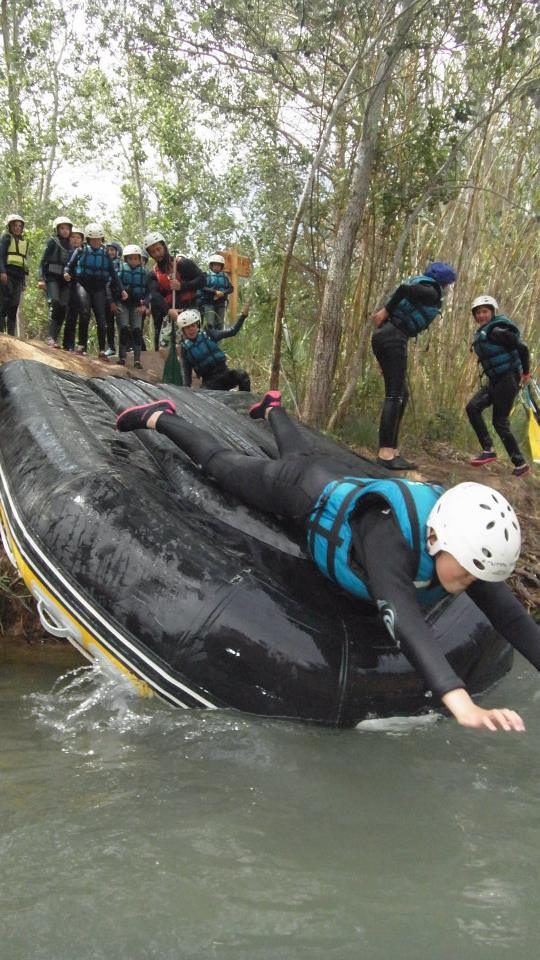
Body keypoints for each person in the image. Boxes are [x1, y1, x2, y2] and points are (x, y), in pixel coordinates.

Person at [116, 391, 540, 732]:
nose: (467, 581)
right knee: (224, 466)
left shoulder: (460, 551)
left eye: (473, 575)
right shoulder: (387, 535)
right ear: (436, 537)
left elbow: (513, 620)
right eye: (465, 571)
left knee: (298, 454)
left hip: (327, 473)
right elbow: (403, 616)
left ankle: (272, 408)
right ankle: (161, 417)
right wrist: (462, 703)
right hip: (303, 493)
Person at [371, 260, 457, 471]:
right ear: (444, 282)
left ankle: (393, 450)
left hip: (387, 337)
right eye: (448, 284)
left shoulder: (426, 287)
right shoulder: (431, 291)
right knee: (395, 395)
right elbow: (404, 289)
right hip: (393, 336)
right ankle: (386, 453)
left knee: (402, 394)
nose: (448, 288)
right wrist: (385, 310)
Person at [466, 295, 531, 478]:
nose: (481, 315)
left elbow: (523, 348)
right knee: (473, 407)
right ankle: (489, 450)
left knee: (499, 421)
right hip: (496, 381)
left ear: (492, 312)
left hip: (508, 379)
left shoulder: (497, 331)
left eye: (485, 311)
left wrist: (525, 373)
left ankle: (520, 463)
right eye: (478, 312)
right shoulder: (485, 332)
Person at [64, 222, 127, 360]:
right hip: (83, 285)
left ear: (102, 239)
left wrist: (122, 289)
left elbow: (113, 274)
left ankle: (102, 350)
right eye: (93, 239)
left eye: (98, 239)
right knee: (85, 313)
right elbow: (69, 266)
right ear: (88, 239)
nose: (95, 242)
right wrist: (66, 273)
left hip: (99, 288)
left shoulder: (105, 254)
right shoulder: (80, 251)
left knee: (101, 318)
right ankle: (81, 346)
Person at [143, 231, 205, 350]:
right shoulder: (153, 274)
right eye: (153, 252)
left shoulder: (182, 263)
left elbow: (202, 280)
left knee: (192, 348)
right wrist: (168, 310)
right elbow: (154, 295)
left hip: (190, 309)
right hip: (171, 313)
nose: (157, 254)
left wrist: (182, 286)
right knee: (164, 348)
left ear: (164, 247)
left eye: (158, 249)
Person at [174, 305, 251, 390]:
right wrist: (186, 390)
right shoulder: (185, 349)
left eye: (193, 326)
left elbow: (233, 331)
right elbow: (186, 374)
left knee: (242, 375)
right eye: (187, 328)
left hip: (225, 374)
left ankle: (245, 401)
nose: (191, 329)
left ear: (197, 326)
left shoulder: (209, 334)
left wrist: (243, 316)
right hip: (209, 382)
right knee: (204, 394)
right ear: (183, 331)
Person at [38, 215, 73, 348]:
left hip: (65, 281)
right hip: (52, 278)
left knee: (63, 307)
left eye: (67, 228)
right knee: (55, 303)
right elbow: (42, 262)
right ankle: (50, 337)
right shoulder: (52, 242)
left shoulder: (71, 245)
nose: (65, 231)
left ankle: (54, 339)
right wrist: (41, 278)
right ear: (57, 229)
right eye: (62, 228)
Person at [116, 244, 149, 368]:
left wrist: (144, 305)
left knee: (136, 331)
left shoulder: (144, 273)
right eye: (131, 259)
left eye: (136, 259)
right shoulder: (121, 270)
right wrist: (114, 303)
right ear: (126, 259)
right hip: (123, 304)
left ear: (140, 259)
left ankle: (137, 360)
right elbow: (114, 286)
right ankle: (122, 357)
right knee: (124, 329)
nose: (134, 261)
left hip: (136, 305)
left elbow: (149, 292)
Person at [0, 213, 29, 336]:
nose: (17, 228)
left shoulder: (23, 242)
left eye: (19, 226)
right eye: (15, 225)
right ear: (10, 226)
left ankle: (11, 334)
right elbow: (0, 256)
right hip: (7, 275)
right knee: (4, 302)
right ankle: (1, 331)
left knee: (14, 304)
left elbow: (24, 263)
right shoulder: (6, 238)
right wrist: (2, 272)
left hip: (18, 277)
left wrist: (24, 282)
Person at [62, 227, 85, 351]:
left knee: (82, 314)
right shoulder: (66, 251)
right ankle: (68, 344)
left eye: (78, 237)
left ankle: (81, 345)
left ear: (82, 240)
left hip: (81, 287)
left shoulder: (84, 252)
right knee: (69, 315)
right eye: (73, 237)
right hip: (68, 286)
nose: (75, 240)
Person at [200, 254, 234, 330]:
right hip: (208, 302)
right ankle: (209, 339)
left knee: (220, 324)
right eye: (215, 265)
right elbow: (202, 287)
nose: (217, 267)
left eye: (219, 265)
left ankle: (218, 341)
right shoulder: (205, 275)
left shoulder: (225, 276)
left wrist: (223, 293)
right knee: (210, 323)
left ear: (221, 266)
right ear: (211, 265)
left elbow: (231, 289)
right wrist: (215, 292)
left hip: (221, 303)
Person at [105, 241, 123, 357]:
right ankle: (111, 347)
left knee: (122, 323)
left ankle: (125, 347)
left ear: (117, 252)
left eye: (112, 250)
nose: (110, 252)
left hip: (118, 298)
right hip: (106, 297)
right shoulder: (103, 263)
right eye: (109, 250)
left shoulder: (120, 264)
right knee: (108, 323)